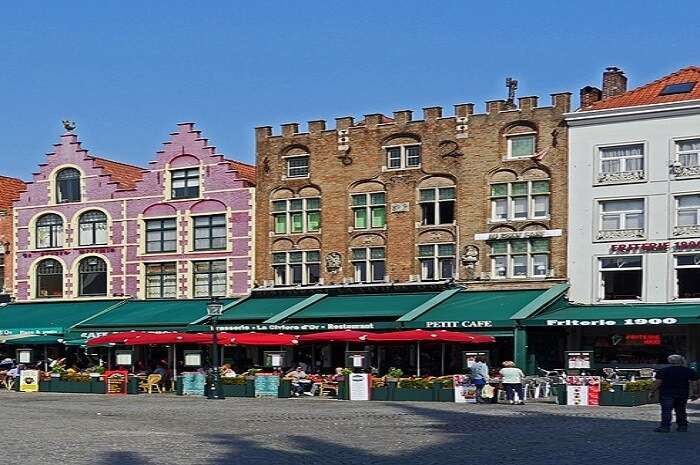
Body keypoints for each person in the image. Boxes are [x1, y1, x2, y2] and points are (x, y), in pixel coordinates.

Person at [652, 354, 699, 433]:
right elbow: (695, 383)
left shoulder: (663, 371)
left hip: (666, 393)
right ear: (681, 361)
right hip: (682, 393)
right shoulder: (688, 371)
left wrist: (652, 391)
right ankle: (682, 426)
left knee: (666, 410)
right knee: (681, 410)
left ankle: (665, 427)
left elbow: (658, 383)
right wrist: (695, 393)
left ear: (669, 361)